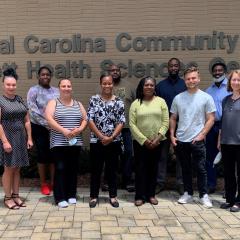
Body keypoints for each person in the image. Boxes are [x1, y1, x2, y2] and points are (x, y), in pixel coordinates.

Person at [170, 66, 216, 208]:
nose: (191, 80)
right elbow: (173, 117)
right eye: (188, 78)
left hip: (198, 140)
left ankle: (203, 195)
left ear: (199, 78)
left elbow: (211, 119)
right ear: (185, 80)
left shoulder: (206, 97)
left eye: (193, 78)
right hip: (181, 139)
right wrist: (172, 135)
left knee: (201, 168)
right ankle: (188, 193)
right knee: (185, 168)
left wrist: (202, 135)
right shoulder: (178, 98)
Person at [45, 79, 87, 208]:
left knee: (72, 169)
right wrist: (63, 130)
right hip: (58, 143)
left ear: (71, 88)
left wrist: (80, 129)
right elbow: (49, 118)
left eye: (68, 86)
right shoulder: (53, 103)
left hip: (75, 143)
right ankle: (60, 197)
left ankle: (71, 195)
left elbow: (85, 119)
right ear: (59, 88)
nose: (66, 88)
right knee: (60, 168)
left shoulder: (78, 104)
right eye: (63, 86)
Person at [129, 76, 169, 206]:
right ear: (142, 87)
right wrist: (144, 140)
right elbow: (132, 124)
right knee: (140, 169)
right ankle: (139, 195)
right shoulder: (136, 103)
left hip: (158, 142)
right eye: (146, 85)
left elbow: (166, 122)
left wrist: (157, 138)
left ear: (154, 87)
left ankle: (151, 195)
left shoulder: (161, 102)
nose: (149, 87)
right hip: (140, 143)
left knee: (153, 169)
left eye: (152, 85)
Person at [88, 73, 125, 208]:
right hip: (96, 141)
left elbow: (121, 121)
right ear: (101, 84)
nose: (107, 85)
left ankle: (113, 196)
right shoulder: (94, 99)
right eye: (104, 83)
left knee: (112, 170)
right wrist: (101, 136)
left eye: (109, 83)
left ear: (113, 84)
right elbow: (89, 119)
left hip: (113, 141)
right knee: (96, 169)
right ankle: (93, 196)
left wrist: (111, 137)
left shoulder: (119, 101)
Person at [0, 68, 33, 209]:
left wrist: (29, 138)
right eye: (8, 84)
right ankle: (7, 198)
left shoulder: (20, 99)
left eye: (13, 84)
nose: (11, 87)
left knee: (17, 168)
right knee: (9, 169)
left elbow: (27, 120)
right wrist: (5, 141)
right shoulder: (0, 101)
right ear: (3, 85)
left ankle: (16, 195)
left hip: (20, 137)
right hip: (8, 138)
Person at [102, 64, 135, 192]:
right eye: (112, 70)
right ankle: (109, 181)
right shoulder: (105, 86)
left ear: (120, 72)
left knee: (128, 154)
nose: (115, 72)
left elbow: (135, 105)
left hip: (125, 128)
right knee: (110, 155)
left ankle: (127, 181)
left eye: (117, 70)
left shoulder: (129, 86)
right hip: (109, 129)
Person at [155, 58, 186, 194]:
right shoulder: (161, 86)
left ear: (179, 67)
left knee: (181, 156)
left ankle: (180, 183)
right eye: (171, 66)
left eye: (176, 66)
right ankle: (160, 182)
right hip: (164, 126)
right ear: (167, 68)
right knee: (161, 156)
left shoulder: (185, 85)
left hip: (182, 126)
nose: (173, 68)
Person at [27, 66, 59, 195]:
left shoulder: (56, 91)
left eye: (47, 75)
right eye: (43, 74)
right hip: (39, 128)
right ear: (39, 76)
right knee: (42, 155)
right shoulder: (33, 90)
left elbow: (59, 107)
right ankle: (43, 183)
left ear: (50, 76)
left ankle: (53, 182)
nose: (45, 77)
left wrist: (55, 124)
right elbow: (32, 110)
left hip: (55, 127)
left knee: (53, 155)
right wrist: (48, 124)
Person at [205, 62, 230, 194]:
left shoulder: (231, 88)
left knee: (228, 156)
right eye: (215, 70)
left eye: (220, 70)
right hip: (212, 125)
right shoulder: (208, 91)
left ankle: (229, 187)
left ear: (224, 71)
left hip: (227, 126)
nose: (217, 73)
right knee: (210, 156)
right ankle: (211, 184)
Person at [218, 70, 240, 212]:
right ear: (229, 82)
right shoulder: (226, 100)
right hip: (226, 142)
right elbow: (222, 122)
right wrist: (219, 140)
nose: (236, 82)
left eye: (238, 80)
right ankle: (230, 199)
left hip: (239, 143)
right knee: (229, 173)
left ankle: (238, 201)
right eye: (234, 80)